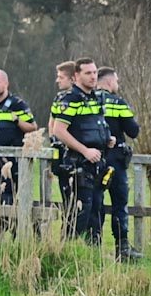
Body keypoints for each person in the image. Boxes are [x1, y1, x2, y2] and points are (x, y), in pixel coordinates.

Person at [47, 58, 113, 246]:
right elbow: (59, 130)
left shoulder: (97, 98)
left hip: (97, 164)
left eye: (94, 73)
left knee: (97, 214)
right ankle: (67, 254)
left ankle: (92, 259)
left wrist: (107, 137)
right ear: (76, 76)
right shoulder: (70, 99)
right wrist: (85, 150)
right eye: (88, 73)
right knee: (78, 215)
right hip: (77, 164)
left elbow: (96, 124)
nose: (93, 77)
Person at [94, 66, 141, 261]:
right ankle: (122, 248)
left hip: (94, 160)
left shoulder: (89, 100)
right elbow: (133, 131)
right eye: (116, 81)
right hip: (116, 161)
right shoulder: (119, 103)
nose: (118, 84)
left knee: (94, 202)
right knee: (119, 204)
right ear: (108, 81)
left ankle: (92, 244)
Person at [0, 68, 35, 211]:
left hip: (13, 159)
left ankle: (14, 227)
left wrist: (17, 120)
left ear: (6, 84)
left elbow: (32, 127)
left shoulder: (17, 104)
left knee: (10, 195)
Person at [47, 60, 79, 234]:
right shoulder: (59, 98)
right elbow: (52, 122)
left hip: (77, 154)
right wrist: (55, 141)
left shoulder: (80, 98)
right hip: (61, 155)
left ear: (73, 79)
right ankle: (66, 233)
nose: (57, 81)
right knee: (66, 196)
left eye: (61, 77)